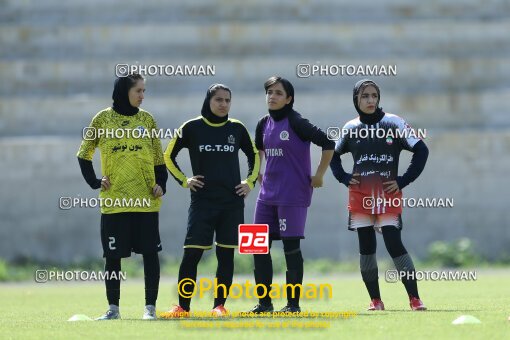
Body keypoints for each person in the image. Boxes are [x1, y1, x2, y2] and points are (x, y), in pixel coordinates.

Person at [160, 84, 259, 318]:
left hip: (232, 202)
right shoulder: (192, 127)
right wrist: (185, 180)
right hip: (202, 203)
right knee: (191, 254)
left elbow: (253, 155)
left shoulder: (237, 128)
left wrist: (250, 182)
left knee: (225, 256)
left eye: (227, 100)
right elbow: (168, 156)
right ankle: (183, 307)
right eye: (219, 100)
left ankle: (219, 306)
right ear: (208, 101)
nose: (223, 104)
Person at [330, 79, 429, 311]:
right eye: (365, 96)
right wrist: (344, 177)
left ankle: (414, 298)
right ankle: (376, 300)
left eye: (374, 95)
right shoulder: (350, 127)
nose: (371, 100)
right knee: (366, 247)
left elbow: (421, 150)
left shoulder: (393, 122)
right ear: (356, 99)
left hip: (388, 194)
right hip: (359, 196)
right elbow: (332, 155)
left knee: (394, 243)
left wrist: (403, 180)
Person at [77, 73, 168, 320]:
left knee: (150, 254)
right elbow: (84, 154)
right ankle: (113, 310)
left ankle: (150, 309)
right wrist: (95, 182)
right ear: (124, 91)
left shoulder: (147, 119)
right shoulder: (102, 118)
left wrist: (162, 184)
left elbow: (159, 160)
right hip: (115, 202)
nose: (142, 95)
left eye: (144, 91)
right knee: (113, 257)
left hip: (146, 202)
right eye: (138, 90)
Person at [249, 76, 334, 313]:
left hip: (293, 195)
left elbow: (328, 142)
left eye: (278, 93)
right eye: (269, 92)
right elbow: (259, 151)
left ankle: (293, 305)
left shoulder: (297, 121)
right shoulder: (262, 123)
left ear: (289, 99)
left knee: (291, 248)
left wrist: (319, 174)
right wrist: (256, 173)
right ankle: (264, 304)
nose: (272, 96)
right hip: (266, 196)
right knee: (257, 247)